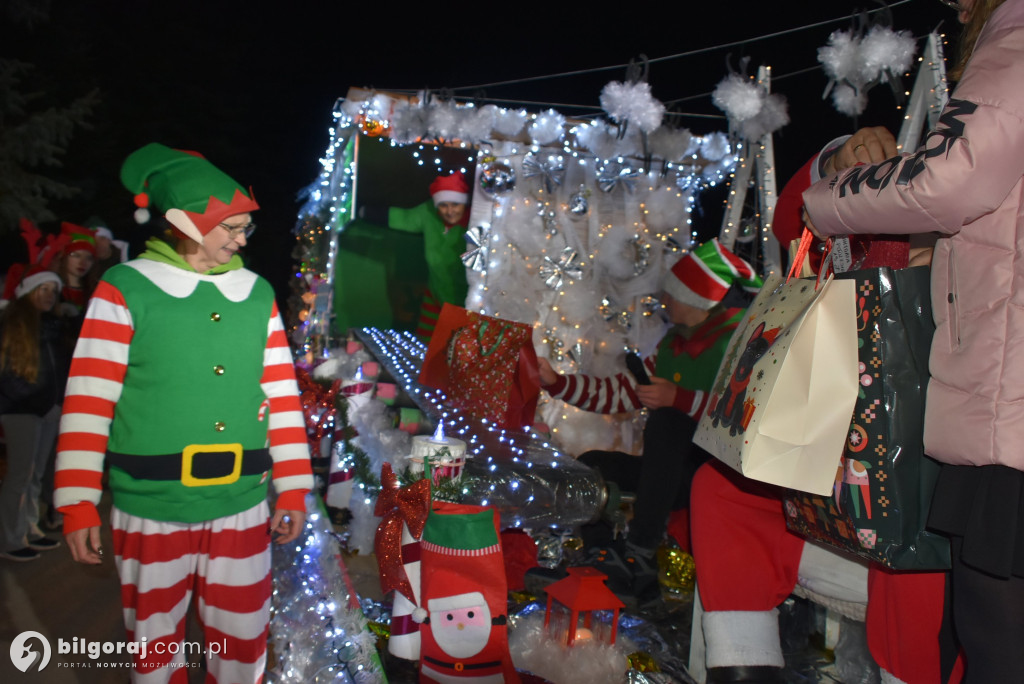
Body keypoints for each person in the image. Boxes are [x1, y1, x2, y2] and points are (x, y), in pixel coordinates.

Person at [804, 1, 1024, 680]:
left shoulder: (1016, 30)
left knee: (994, 644)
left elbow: (949, 177)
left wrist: (830, 194)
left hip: (1005, 405)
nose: (955, 4)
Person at [54, 142, 313, 682]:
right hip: (151, 504)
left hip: (242, 503)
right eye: (232, 227)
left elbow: (281, 397)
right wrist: (77, 502)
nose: (243, 239)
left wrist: (293, 486)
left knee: (243, 646)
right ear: (184, 222)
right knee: (154, 650)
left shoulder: (256, 292)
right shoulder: (125, 288)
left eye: (246, 227)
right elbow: (88, 401)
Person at [538, 239, 761, 604]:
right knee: (593, 465)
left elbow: (746, 412)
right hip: (666, 472)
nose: (665, 302)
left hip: (714, 474)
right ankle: (602, 557)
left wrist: (679, 400)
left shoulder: (739, 342)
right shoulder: (674, 343)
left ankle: (639, 552)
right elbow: (619, 393)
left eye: (673, 294)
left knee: (668, 422)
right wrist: (558, 383)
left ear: (696, 298)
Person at [0, 266, 67, 561]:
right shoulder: (12, 323)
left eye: (54, 291)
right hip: (21, 411)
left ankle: (29, 530)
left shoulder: (49, 325)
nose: (51, 296)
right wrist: (40, 403)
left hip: (47, 410)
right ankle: (9, 540)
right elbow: (9, 375)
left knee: (35, 475)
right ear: (29, 291)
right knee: (19, 477)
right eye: (45, 289)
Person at [364, 172, 471, 340]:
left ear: (464, 202)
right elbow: (405, 218)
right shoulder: (428, 214)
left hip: (465, 303)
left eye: (455, 204)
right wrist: (367, 213)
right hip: (435, 297)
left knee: (456, 350)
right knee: (425, 347)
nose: (450, 211)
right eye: (443, 205)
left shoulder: (475, 223)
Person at [54, 222, 97, 316]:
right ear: (63, 257)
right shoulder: (52, 288)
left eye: (89, 258)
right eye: (76, 255)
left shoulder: (96, 290)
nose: (83, 263)